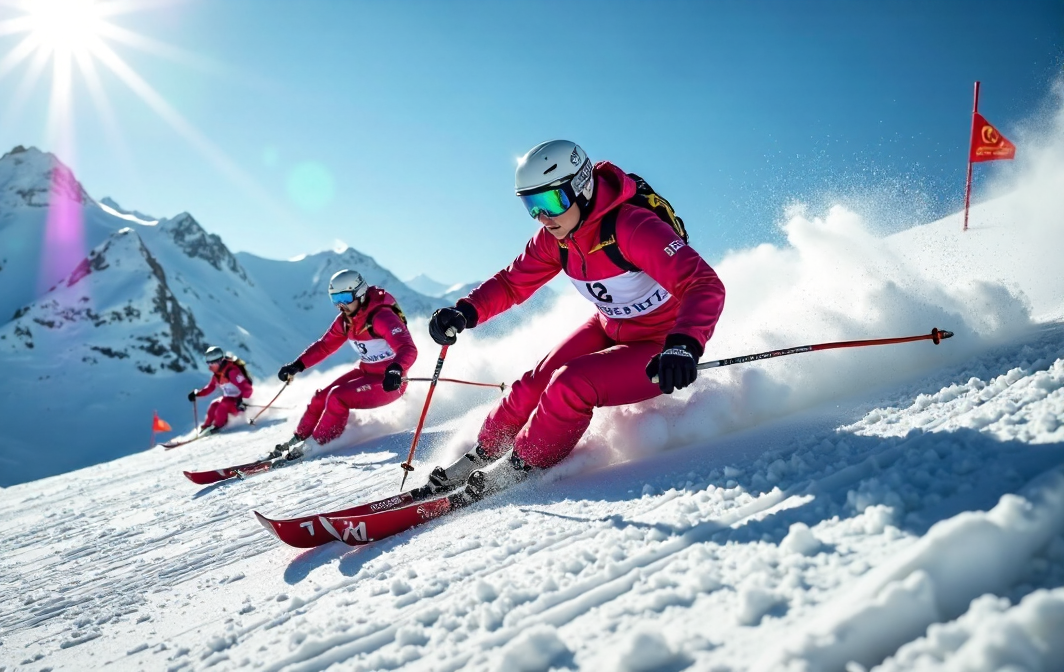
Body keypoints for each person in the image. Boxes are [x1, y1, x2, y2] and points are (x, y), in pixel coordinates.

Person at [422, 140, 726, 498]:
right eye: (531, 206)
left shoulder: (633, 228)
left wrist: (685, 345)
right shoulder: (557, 239)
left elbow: (704, 283)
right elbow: (510, 283)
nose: (543, 218)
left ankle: (521, 464)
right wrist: (465, 311)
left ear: (581, 187)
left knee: (570, 385)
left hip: (659, 346)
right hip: (608, 327)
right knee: (533, 385)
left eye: (551, 202)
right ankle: (484, 452)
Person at [270, 269, 418, 460]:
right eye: (335, 299)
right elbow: (324, 346)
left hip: (390, 383)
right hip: (366, 373)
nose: (341, 305)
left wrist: (397, 369)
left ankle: (318, 443)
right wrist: (297, 365)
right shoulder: (346, 321)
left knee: (337, 397)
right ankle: (300, 438)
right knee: (321, 397)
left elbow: (408, 347)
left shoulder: (381, 317)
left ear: (360, 293)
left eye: (346, 297)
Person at [189, 346, 254, 437]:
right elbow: (210, 387)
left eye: (212, 363)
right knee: (214, 404)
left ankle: (218, 426)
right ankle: (206, 428)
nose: (210, 365)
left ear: (219, 362)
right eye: (209, 363)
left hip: (238, 404)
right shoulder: (218, 375)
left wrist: (243, 401)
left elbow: (247, 388)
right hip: (229, 399)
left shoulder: (232, 371)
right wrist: (197, 393)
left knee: (223, 404)